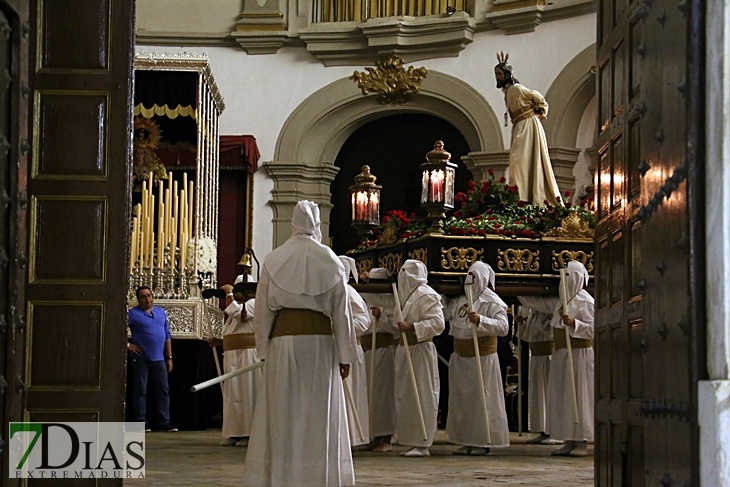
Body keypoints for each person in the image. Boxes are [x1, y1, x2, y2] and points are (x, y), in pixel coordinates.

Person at [243, 201, 357, 487]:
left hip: (283, 345)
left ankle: (283, 476)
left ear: (293, 223)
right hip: (321, 346)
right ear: (317, 224)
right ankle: (318, 476)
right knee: (318, 414)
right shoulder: (330, 259)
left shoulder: (274, 259)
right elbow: (342, 313)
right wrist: (346, 355)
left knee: (283, 412)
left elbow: (263, 312)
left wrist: (263, 350)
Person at [367, 259, 445, 457]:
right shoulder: (404, 297)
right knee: (406, 395)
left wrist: (414, 327)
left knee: (422, 393)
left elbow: (438, 323)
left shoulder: (427, 296)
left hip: (420, 348)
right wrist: (383, 318)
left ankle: (423, 441)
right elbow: (395, 324)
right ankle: (411, 439)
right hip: (404, 348)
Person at [520, 260, 593, 456]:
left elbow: (596, 329)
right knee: (562, 396)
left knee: (578, 396)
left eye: (567, 276)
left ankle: (581, 441)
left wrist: (576, 323)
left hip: (579, 355)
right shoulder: (562, 301)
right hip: (561, 354)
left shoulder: (585, 301)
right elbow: (535, 305)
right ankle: (568, 438)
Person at [443, 261, 509, 455]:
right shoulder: (462, 299)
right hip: (461, 357)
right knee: (463, 401)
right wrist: (442, 297)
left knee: (482, 399)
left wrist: (481, 320)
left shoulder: (492, 301)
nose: (469, 280)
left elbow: (503, 327)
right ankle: (466, 439)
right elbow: (447, 314)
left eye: (474, 276)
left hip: (482, 358)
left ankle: (483, 440)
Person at [495, 52, 562, 207]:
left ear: (507, 74)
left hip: (527, 125)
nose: (497, 77)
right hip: (519, 126)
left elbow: (536, 96)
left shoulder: (517, 89)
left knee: (520, 159)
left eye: (499, 74)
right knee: (519, 160)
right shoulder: (507, 91)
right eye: (496, 74)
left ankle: (524, 195)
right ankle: (521, 193)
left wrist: (540, 110)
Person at [209, 274, 261, 447]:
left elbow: (241, 315)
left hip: (247, 355)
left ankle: (248, 433)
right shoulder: (236, 309)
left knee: (247, 393)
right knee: (233, 395)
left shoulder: (254, 304)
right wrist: (220, 342)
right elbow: (236, 331)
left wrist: (229, 293)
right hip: (233, 356)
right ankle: (235, 432)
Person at [128, 286, 178, 432]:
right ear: (138, 299)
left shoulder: (160, 312)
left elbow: (167, 335)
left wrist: (169, 357)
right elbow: (117, 329)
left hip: (159, 358)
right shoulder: (133, 314)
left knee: (163, 391)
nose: (147, 299)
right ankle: (140, 422)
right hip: (140, 358)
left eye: (149, 295)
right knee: (140, 391)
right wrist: (128, 345)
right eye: (143, 296)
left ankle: (164, 421)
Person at [360, 268, 399, 452]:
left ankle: (386, 437)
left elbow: (396, 328)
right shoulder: (367, 299)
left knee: (384, 395)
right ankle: (374, 435)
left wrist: (381, 317)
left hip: (384, 351)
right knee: (371, 395)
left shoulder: (391, 301)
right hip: (368, 351)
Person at [339, 255, 371, 448]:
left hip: (349, 347)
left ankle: (350, 437)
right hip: (336, 347)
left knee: (349, 392)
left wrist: (342, 328)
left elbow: (363, 321)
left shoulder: (349, 293)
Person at [515, 308, 556, 444]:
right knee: (538, 394)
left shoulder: (550, 311)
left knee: (549, 392)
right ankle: (542, 429)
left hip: (549, 356)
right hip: (537, 357)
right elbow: (527, 336)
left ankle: (554, 431)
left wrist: (540, 319)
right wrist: (521, 324)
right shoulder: (534, 313)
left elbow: (549, 331)